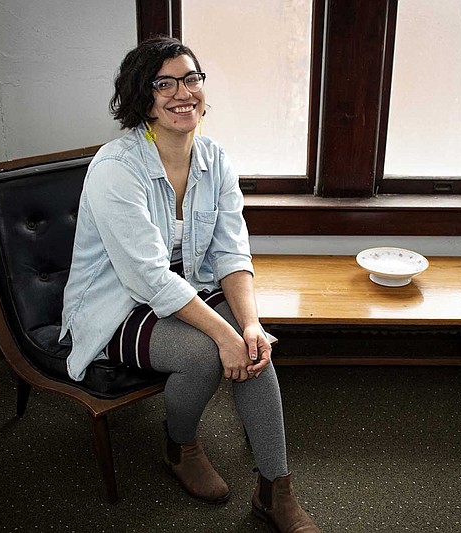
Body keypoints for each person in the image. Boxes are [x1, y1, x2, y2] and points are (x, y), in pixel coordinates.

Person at [58, 36, 320, 532]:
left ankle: (275, 489)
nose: (183, 93)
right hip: (116, 301)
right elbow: (148, 279)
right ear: (143, 97)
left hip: (187, 284)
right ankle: (180, 446)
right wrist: (223, 336)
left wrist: (250, 325)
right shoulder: (116, 167)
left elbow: (230, 251)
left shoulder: (215, 158)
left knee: (253, 345)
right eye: (165, 83)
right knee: (206, 351)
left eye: (192, 78)